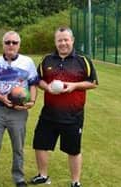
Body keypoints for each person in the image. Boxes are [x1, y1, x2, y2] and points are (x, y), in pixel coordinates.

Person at [29, 27, 98, 187]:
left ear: (72, 40)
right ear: (55, 42)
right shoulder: (47, 60)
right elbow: (38, 79)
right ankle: (43, 176)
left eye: (66, 39)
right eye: (59, 40)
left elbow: (92, 83)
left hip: (73, 115)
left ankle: (75, 182)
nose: (63, 43)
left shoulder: (83, 60)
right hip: (49, 114)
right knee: (40, 145)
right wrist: (46, 87)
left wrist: (74, 86)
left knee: (73, 150)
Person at [0, 31, 39, 187]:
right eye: (8, 42)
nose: (11, 45)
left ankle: (18, 178)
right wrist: (1, 98)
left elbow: (33, 84)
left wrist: (32, 101)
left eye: (14, 42)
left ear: (19, 45)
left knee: (18, 147)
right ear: (3, 44)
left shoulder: (27, 62)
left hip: (18, 112)